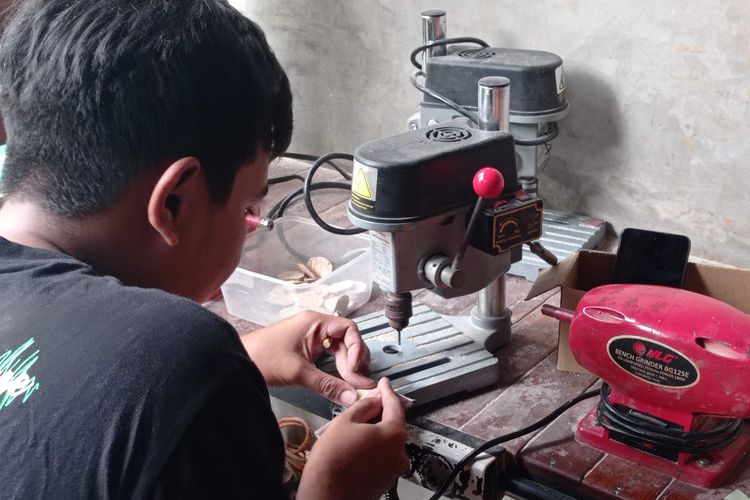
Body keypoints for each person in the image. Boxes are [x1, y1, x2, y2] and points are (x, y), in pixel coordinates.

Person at [0, 0, 409, 498]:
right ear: (174, 201)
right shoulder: (182, 359)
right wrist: (335, 490)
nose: (250, 225)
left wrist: (231, 363)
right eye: (247, 208)